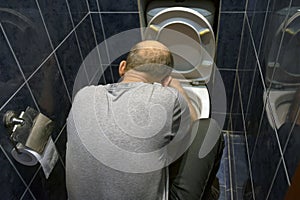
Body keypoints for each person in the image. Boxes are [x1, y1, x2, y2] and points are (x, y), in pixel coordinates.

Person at [66, 40, 198, 200]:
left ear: (122, 67)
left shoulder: (83, 96)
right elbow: (194, 123)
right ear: (164, 81)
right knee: (206, 129)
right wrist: (177, 87)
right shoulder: (168, 98)